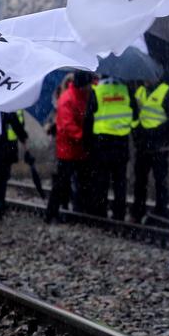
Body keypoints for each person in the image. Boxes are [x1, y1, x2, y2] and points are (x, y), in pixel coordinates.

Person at [45, 70, 94, 223]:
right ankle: (51, 214)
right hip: (68, 150)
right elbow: (67, 125)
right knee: (62, 183)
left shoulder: (82, 96)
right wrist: (83, 136)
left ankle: (78, 211)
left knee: (80, 182)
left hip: (78, 149)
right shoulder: (68, 99)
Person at [85, 74, 136, 220]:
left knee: (101, 180)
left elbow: (88, 117)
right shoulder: (126, 90)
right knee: (120, 181)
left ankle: (100, 212)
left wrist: (88, 142)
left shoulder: (97, 90)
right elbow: (135, 116)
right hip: (121, 143)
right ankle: (119, 213)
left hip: (102, 143)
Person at [131, 76, 169, 222]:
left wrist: (157, 130)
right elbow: (134, 117)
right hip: (142, 147)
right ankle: (138, 212)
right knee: (140, 182)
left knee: (160, 182)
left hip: (160, 147)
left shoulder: (165, 92)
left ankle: (161, 213)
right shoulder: (139, 92)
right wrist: (138, 133)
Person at [0, 110, 28, 221]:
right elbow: (15, 122)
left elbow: (14, 122)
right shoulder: (6, 105)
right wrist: (23, 137)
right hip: (2, 148)